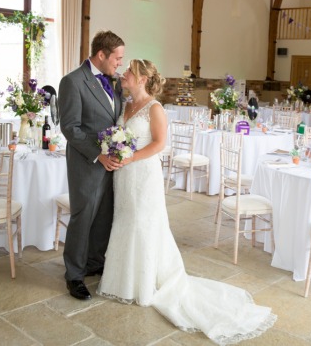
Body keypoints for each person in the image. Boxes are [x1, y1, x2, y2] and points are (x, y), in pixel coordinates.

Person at [96, 59, 276, 344]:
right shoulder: (125, 104)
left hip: (143, 175)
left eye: (130, 71)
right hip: (123, 177)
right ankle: (125, 279)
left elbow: (158, 144)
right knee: (126, 221)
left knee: (144, 224)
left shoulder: (155, 108)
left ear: (142, 79)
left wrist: (130, 158)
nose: (125, 74)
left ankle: (145, 283)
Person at [58, 30, 125, 300]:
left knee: (104, 216)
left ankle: (95, 263)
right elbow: (70, 128)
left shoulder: (115, 82)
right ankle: (74, 275)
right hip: (87, 162)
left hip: (112, 164)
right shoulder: (72, 82)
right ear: (101, 55)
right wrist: (100, 155)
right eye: (117, 58)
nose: (120, 62)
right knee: (83, 217)